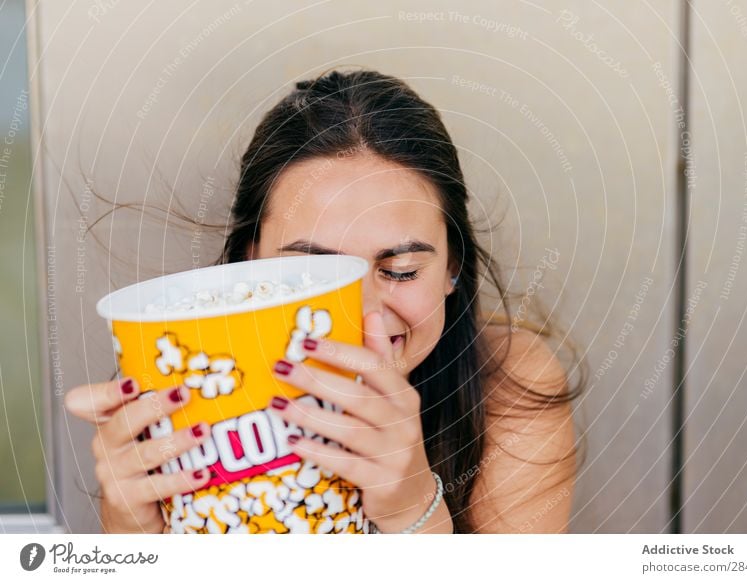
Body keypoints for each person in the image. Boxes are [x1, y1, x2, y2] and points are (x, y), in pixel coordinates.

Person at [65, 69, 585, 534]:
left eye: (398, 271)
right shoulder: (183, 396)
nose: (360, 315)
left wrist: (414, 514)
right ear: (252, 262)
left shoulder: (511, 389)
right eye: (311, 274)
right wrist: (135, 542)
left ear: (452, 266)